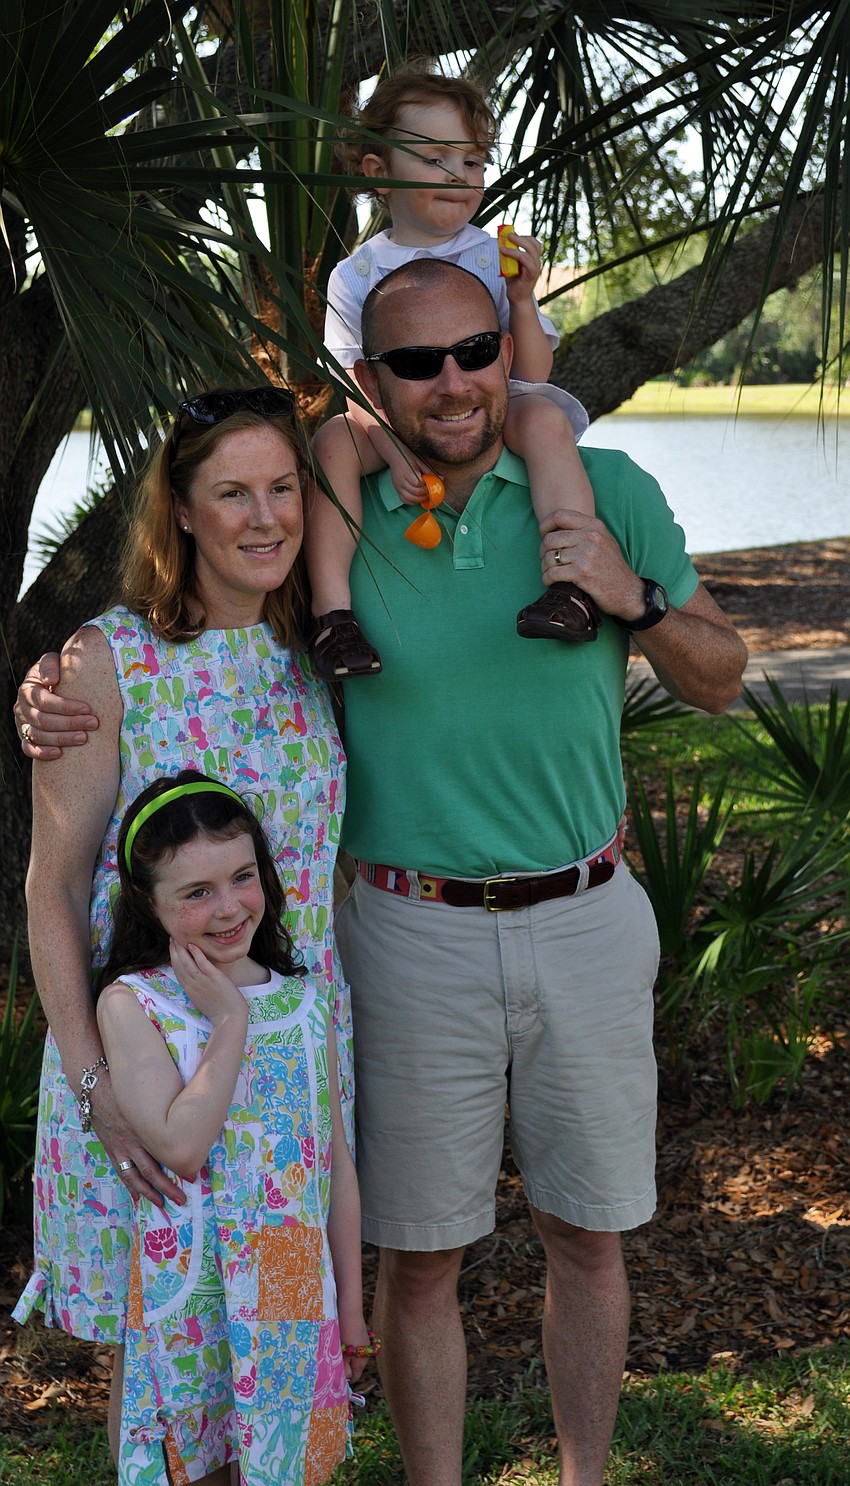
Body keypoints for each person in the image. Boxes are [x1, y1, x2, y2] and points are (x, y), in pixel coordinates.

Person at [16, 261, 749, 1486]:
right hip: (201, 1036)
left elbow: (719, 672)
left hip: (352, 1026)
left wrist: (630, 593)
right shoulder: (192, 626)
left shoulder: (333, 625)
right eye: (414, 361)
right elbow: (53, 883)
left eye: (475, 348)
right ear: (371, 384)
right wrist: (46, 681)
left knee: (346, 1326)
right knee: (185, 1360)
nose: (451, 378)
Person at [12, 386, 352, 1465]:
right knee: (164, 1368)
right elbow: (52, 889)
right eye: (232, 492)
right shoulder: (108, 662)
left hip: (292, 1066)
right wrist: (91, 1088)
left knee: (283, 1351)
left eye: (284, 488)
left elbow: (414, 419)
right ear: (184, 512)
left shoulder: (325, 646)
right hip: (143, 1073)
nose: (265, 518)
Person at [93, 770, 370, 1485]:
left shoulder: (306, 1003)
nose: (228, 909)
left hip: (288, 1287)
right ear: (148, 906)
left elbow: (334, 1166)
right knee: (197, 1463)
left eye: (242, 877)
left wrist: (351, 1306)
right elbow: (180, 1146)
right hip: (189, 1288)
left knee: (279, 1462)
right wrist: (229, 1020)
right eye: (196, 893)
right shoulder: (135, 1005)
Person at [307, 64, 601, 680]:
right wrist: (390, 448)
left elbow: (533, 371)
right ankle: (334, 615)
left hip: (490, 407)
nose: (459, 176)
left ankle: (570, 584)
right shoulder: (354, 277)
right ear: (377, 172)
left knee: (544, 417)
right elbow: (351, 386)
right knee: (334, 441)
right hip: (391, 415)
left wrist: (521, 299)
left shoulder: (491, 255)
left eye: (472, 162)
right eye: (437, 158)